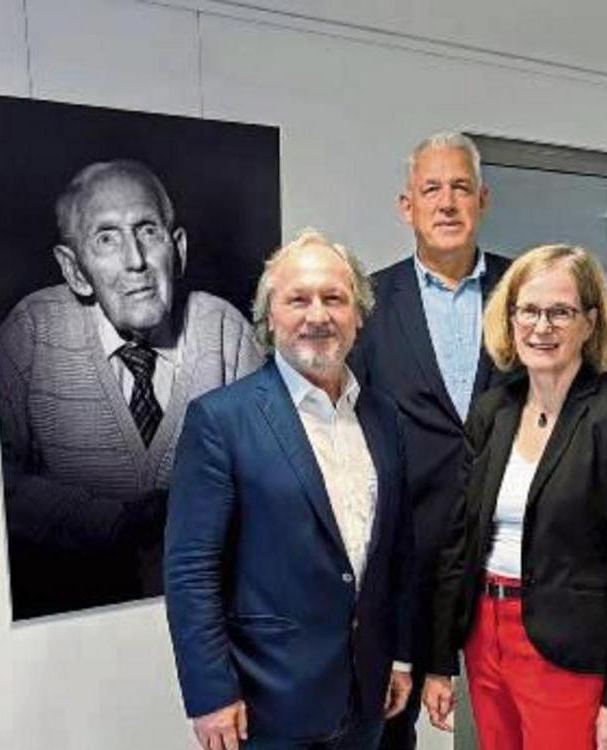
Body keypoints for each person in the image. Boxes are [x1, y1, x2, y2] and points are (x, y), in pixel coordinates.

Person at [165, 229, 416, 749]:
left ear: (358, 314)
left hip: (367, 694)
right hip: (266, 703)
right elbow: (191, 570)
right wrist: (210, 693)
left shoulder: (383, 416)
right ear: (270, 316)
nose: (317, 315)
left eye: (334, 298)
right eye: (297, 299)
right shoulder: (221, 420)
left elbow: (398, 554)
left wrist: (399, 653)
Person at [422, 244, 607, 750]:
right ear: (509, 317)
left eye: (561, 311)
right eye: (529, 310)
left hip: (566, 646)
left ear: (589, 322)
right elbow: (460, 542)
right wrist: (441, 660)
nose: (542, 326)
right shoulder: (493, 410)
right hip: (484, 635)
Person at [0, 159, 263, 618]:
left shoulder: (224, 330)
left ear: (176, 249)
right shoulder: (32, 332)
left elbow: (268, 480)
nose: (135, 260)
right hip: (70, 620)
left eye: (148, 231)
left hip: (209, 613)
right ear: (75, 269)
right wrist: (113, 522)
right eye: (106, 239)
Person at [348, 131, 511, 748]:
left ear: (483, 200)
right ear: (406, 205)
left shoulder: (524, 295)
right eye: (431, 189)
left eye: (461, 187)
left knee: (514, 722)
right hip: (406, 563)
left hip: (505, 560)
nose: (447, 203)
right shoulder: (368, 303)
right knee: (391, 728)